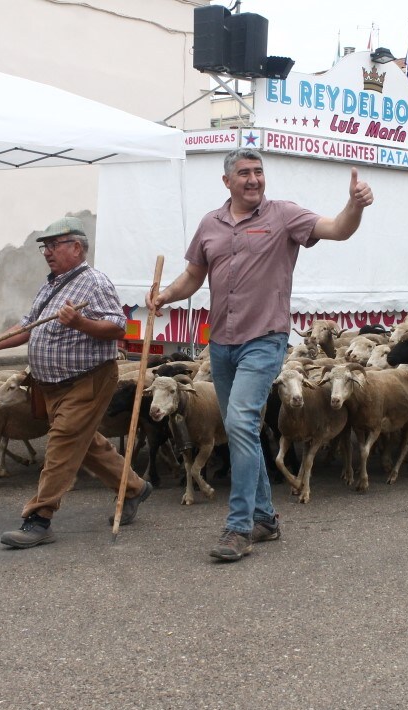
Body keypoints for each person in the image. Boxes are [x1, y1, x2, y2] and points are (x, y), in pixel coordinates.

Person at [147, 148, 374, 562]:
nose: (254, 179)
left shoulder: (283, 215)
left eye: (258, 172)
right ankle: (266, 519)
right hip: (221, 343)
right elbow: (193, 276)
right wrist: (165, 295)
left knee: (238, 422)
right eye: (245, 173)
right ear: (227, 181)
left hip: (264, 339)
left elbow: (338, 229)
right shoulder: (209, 225)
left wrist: (354, 206)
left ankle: (238, 527)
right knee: (245, 431)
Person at [0, 216, 152, 549]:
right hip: (50, 385)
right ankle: (135, 487)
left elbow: (117, 328)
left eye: (54, 245)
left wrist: (80, 322)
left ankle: (38, 518)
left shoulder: (95, 282)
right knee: (84, 443)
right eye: (44, 247)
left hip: (87, 381)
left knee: (62, 443)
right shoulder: (51, 284)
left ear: (76, 247)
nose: (47, 252)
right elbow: (27, 328)